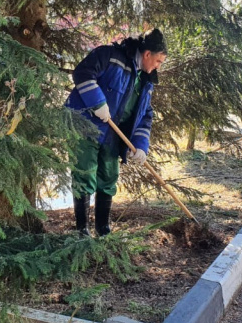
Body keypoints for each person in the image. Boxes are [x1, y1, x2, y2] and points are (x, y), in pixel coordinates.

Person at [65, 29, 167, 236]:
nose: (158, 67)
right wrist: (98, 103)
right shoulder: (109, 56)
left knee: (108, 177)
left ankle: (103, 230)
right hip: (85, 126)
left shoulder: (146, 82)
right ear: (147, 54)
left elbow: (145, 114)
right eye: (158, 61)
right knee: (84, 175)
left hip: (112, 136)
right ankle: (82, 231)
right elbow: (82, 74)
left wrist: (140, 146)